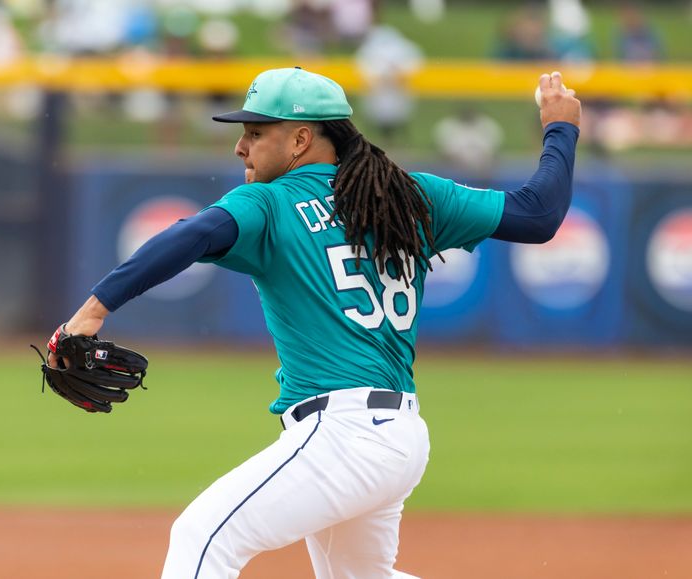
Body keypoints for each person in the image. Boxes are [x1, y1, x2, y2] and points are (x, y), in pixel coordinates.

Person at [48, 67, 581, 577]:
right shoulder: (407, 195)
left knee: (202, 537)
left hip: (342, 434)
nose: (240, 147)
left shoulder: (270, 203)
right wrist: (561, 128)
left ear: (300, 140)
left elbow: (189, 235)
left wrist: (90, 313)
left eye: (255, 133)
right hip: (399, 435)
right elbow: (539, 215)